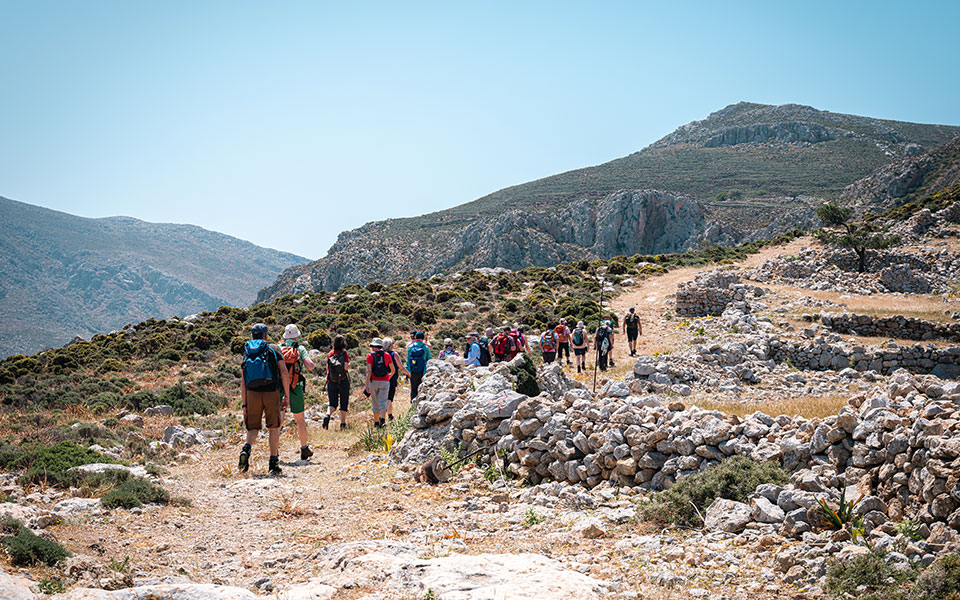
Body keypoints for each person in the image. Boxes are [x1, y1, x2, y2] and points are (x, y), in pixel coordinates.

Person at [239, 323, 291, 476]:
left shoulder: (248, 350)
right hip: (271, 392)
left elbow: (243, 379)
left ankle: (246, 449)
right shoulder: (274, 348)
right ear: (266, 335)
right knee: (273, 426)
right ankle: (273, 462)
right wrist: (286, 395)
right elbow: (284, 371)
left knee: (253, 427)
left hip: (252, 393)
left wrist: (244, 403)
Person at [279, 324, 316, 461]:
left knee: (279, 419)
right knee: (300, 420)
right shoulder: (300, 349)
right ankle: (304, 448)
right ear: (297, 336)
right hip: (296, 387)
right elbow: (310, 366)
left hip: (281, 388)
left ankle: (274, 451)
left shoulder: (279, 349)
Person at [365, 338, 396, 428]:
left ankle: (376, 422)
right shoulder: (387, 355)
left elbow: (369, 371)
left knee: (375, 402)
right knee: (383, 401)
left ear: (372, 347)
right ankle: (382, 418)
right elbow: (393, 370)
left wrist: (367, 384)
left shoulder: (369, 355)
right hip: (385, 381)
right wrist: (388, 377)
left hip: (373, 381)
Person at [323, 335, 350, 431]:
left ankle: (327, 415)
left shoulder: (330, 353)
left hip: (331, 381)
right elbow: (346, 367)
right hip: (343, 381)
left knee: (332, 403)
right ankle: (342, 424)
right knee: (344, 402)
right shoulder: (344, 353)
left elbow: (328, 368)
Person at [383, 337, 409, 422]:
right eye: (392, 343)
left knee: (382, 398)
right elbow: (401, 368)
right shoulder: (394, 354)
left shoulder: (380, 354)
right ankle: (390, 416)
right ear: (390, 345)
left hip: (380, 379)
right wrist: (408, 374)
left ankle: (381, 417)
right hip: (391, 379)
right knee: (389, 398)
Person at [406, 331, 432, 400]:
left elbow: (408, 361)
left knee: (413, 389)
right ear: (423, 338)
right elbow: (429, 360)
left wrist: (408, 372)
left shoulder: (410, 347)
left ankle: (412, 405)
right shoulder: (425, 348)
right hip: (422, 371)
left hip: (413, 371)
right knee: (422, 389)